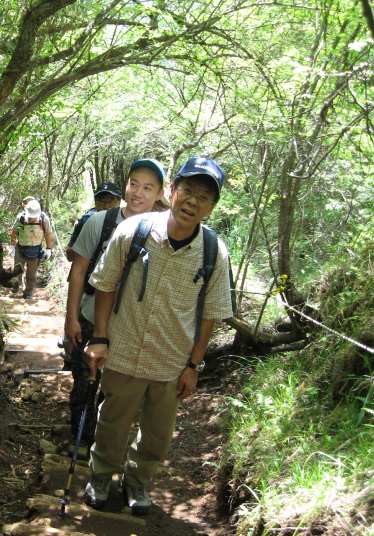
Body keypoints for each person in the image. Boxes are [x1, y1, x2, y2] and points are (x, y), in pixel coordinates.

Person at [82, 156, 234, 516]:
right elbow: (104, 285)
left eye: (204, 197)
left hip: (170, 360)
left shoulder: (214, 251)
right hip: (124, 349)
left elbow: (211, 314)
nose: (193, 201)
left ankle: (137, 482)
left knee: (158, 436)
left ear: (212, 207)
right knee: (113, 423)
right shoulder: (134, 231)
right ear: (172, 191)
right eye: (188, 191)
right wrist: (99, 338)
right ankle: (101, 476)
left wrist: (194, 365)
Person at [64, 160, 166, 459]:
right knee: (84, 383)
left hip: (132, 325)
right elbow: (79, 272)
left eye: (148, 188)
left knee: (117, 391)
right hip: (89, 314)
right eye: (134, 184)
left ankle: (105, 447)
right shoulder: (101, 222)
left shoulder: (164, 231)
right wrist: (71, 318)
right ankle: (80, 439)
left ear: (160, 193)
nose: (138, 193)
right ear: (126, 185)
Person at [65, 182, 122, 263]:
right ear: (95, 203)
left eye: (110, 201)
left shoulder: (127, 223)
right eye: (101, 201)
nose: (106, 206)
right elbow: (69, 256)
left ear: (119, 202)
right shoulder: (87, 221)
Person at [9, 199, 53, 299]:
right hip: (20, 248)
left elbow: (48, 234)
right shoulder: (21, 217)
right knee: (17, 270)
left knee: (31, 274)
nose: (32, 218)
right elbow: (14, 232)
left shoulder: (44, 219)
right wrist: (12, 246)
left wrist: (48, 249)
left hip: (35, 250)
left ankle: (28, 293)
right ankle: (15, 286)